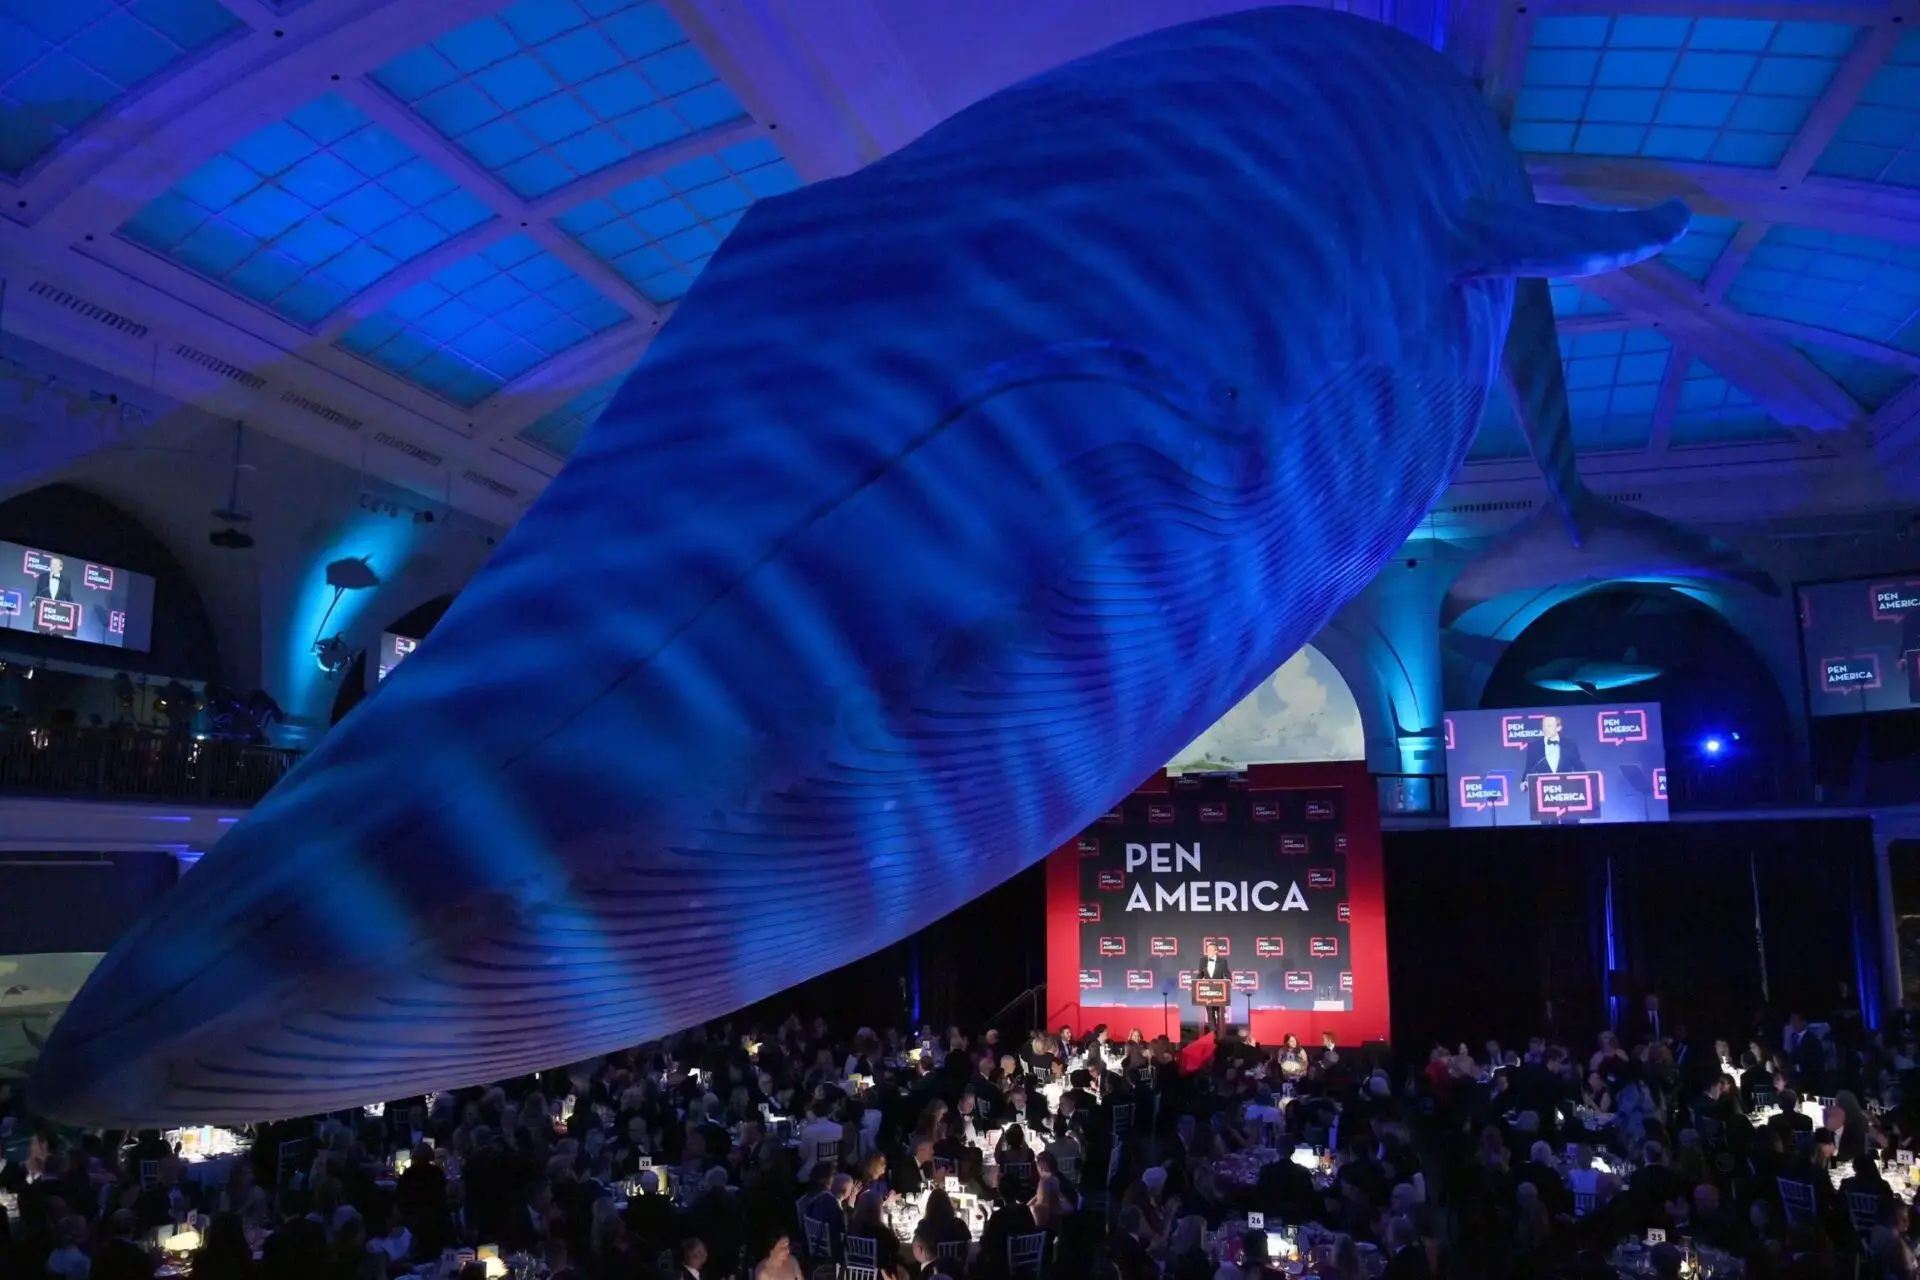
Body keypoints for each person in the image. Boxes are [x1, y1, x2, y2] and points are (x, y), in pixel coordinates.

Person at [1197, 941, 1231, 1037]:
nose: (1209, 952)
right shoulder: (1202, 961)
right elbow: (1200, 974)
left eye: (1211, 950)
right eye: (1208, 950)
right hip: (1207, 991)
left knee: (1220, 1013)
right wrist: (1196, 984)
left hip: (1220, 991)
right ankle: (1213, 1034)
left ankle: (1221, 1034)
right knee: (1210, 1013)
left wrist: (1229, 982)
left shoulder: (1223, 961)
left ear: (1216, 951)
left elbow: (1227, 974)